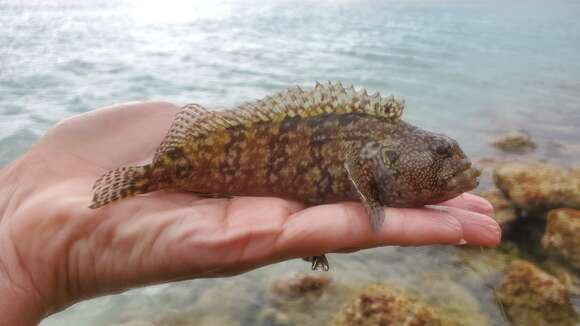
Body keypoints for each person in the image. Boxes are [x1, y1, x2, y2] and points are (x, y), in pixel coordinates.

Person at [0, 101, 500, 325]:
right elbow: (351, 176)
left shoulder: (387, 148)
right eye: (442, 160)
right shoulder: (379, 153)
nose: (456, 169)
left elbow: (339, 184)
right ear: (392, 162)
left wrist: (22, 262)